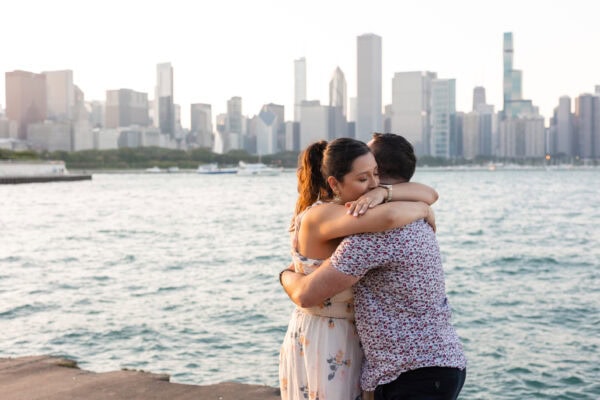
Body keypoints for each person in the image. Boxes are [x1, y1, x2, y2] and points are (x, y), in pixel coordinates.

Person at [281, 133, 467, 400]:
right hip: (430, 362)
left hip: (411, 370)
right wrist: (422, 209)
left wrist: (395, 197)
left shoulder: (374, 230)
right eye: (363, 176)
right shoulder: (371, 220)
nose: (372, 181)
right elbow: (422, 198)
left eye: (375, 173)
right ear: (336, 181)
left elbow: (422, 199)